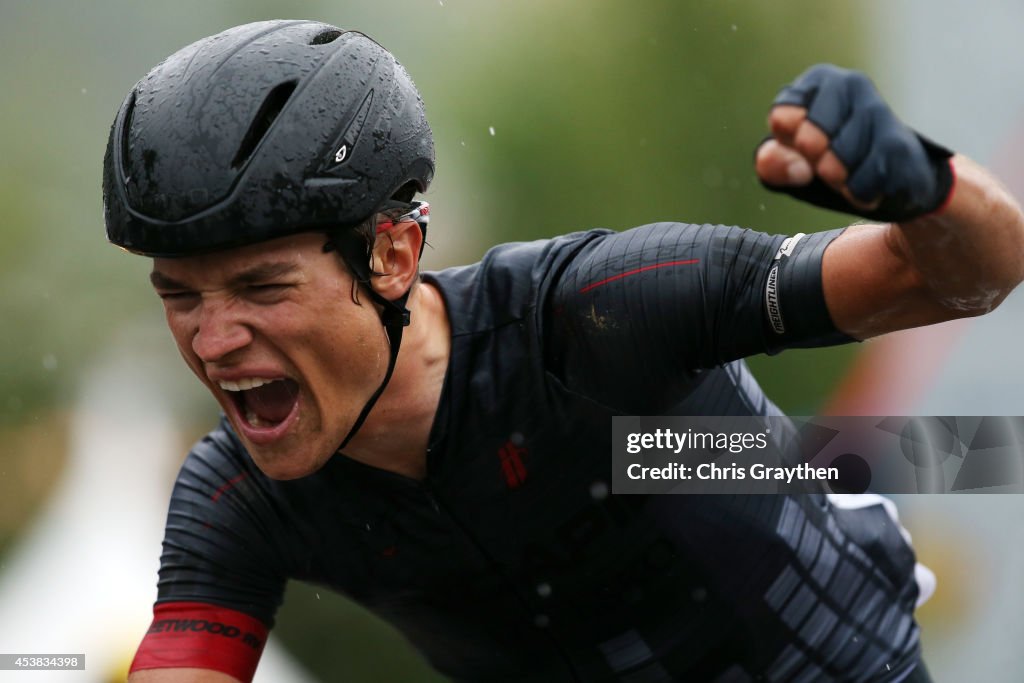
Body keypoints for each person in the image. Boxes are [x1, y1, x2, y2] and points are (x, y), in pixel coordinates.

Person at [105, 19, 1023, 683]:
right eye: (178, 296)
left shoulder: (595, 311)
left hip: (807, 586)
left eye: (263, 288)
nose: (212, 340)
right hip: (717, 466)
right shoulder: (240, 494)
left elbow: (962, 277)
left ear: (392, 254)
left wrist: (931, 192)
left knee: (714, 457)